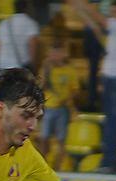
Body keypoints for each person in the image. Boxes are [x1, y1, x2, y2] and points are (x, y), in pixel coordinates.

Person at [71, 0, 116, 173]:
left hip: (113, 79)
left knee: (112, 123)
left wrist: (82, 4)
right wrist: (82, 12)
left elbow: (98, 18)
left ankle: (109, 163)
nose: (111, 16)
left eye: (114, 12)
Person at [37, 42, 80, 170]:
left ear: (63, 54)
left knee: (62, 139)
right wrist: (46, 71)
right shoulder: (45, 69)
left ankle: (58, 167)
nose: (54, 56)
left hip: (63, 109)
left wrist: (68, 99)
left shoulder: (70, 70)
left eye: (57, 53)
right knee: (44, 138)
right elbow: (39, 87)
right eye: (52, 53)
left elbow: (76, 90)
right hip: (48, 108)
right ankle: (42, 166)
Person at [0, 0, 40, 71]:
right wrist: (33, 67)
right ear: (27, 8)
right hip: (18, 69)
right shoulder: (31, 24)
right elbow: (32, 47)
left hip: (2, 66)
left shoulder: (3, 23)